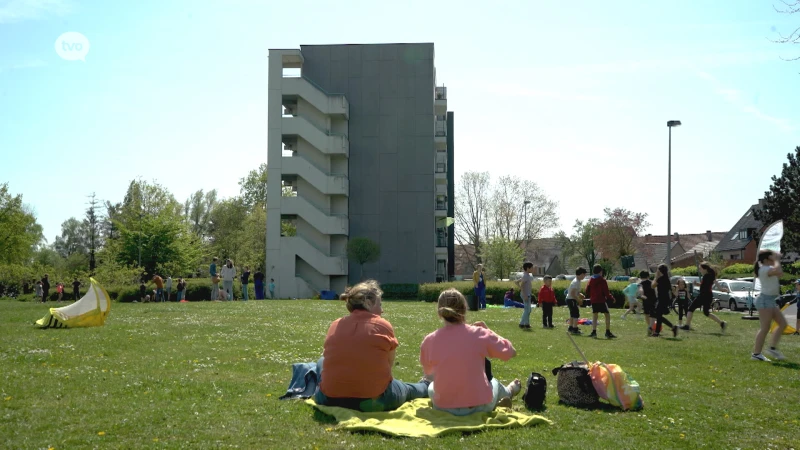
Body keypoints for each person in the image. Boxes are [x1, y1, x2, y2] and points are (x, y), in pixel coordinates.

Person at [313, 280, 429, 412]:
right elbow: (388, 365)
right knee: (406, 389)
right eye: (379, 304)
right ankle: (426, 385)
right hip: (374, 400)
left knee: (321, 361)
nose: (382, 310)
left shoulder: (335, 324)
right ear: (368, 303)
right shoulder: (382, 325)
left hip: (329, 399)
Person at [420, 288, 521, 415]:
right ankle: (510, 391)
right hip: (480, 406)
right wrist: (489, 331)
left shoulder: (429, 340)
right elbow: (511, 352)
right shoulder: (479, 334)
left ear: (440, 313)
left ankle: (505, 393)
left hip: (444, 407)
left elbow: (429, 374)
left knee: (431, 386)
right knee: (493, 381)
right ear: (464, 309)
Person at [751, 250, 788, 361]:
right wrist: (777, 260)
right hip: (764, 301)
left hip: (770, 301)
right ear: (767, 259)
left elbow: (780, 273)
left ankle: (772, 348)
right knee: (765, 328)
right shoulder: (764, 269)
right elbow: (779, 271)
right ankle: (756, 354)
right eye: (772, 258)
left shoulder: (768, 269)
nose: (774, 260)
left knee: (783, 324)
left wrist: (776, 259)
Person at [682, 262, 726, 332]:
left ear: (705, 269)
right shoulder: (712, 276)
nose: (699, 270)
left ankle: (687, 326)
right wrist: (724, 290)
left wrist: (697, 284)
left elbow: (704, 286)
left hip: (703, 296)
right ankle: (722, 323)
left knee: (690, 309)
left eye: (700, 269)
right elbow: (716, 287)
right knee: (706, 312)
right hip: (709, 296)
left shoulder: (706, 276)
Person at [585, 265, 616, 339]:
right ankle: (607, 332)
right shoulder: (602, 280)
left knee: (595, 315)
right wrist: (611, 298)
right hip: (601, 300)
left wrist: (591, 295)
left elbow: (587, 290)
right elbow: (606, 292)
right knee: (607, 314)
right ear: (600, 271)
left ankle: (594, 331)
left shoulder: (591, 280)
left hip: (594, 300)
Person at [652, 265, 679, 338]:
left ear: (660, 271)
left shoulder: (660, 279)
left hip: (662, 299)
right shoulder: (667, 278)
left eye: (657, 270)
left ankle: (672, 327)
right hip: (665, 299)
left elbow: (653, 286)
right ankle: (657, 332)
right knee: (658, 315)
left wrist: (656, 277)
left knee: (657, 315)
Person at [566, 268, 587, 335]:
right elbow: (572, 293)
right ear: (580, 274)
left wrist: (580, 295)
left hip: (571, 299)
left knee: (572, 314)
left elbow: (575, 292)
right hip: (571, 299)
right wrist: (579, 300)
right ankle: (575, 328)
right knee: (576, 314)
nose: (584, 276)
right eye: (584, 275)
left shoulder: (578, 281)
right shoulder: (575, 282)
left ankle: (571, 327)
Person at [514, 262, 534, 329]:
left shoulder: (526, 275)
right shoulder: (525, 276)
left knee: (528, 309)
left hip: (527, 294)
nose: (532, 269)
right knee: (527, 310)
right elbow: (522, 285)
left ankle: (527, 323)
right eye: (531, 268)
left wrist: (519, 286)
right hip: (526, 295)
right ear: (528, 268)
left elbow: (517, 282)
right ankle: (522, 323)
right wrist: (524, 294)